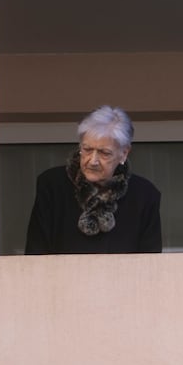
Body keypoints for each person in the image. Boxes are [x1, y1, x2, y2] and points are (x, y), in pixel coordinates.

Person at [25, 106, 162, 254]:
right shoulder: (52, 185)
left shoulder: (145, 195)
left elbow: (151, 264)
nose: (92, 161)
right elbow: (35, 254)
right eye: (87, 149)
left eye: (104, 153)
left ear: (123, 153)